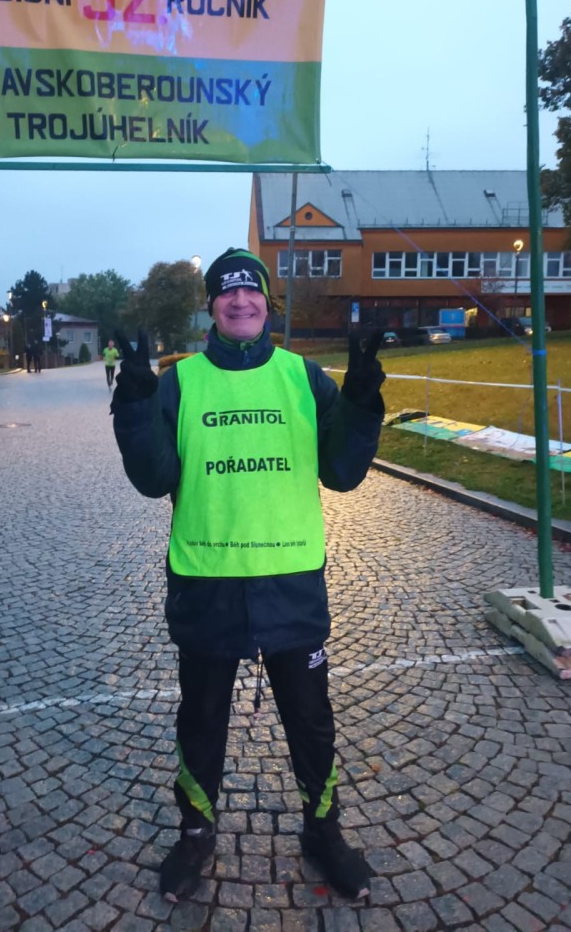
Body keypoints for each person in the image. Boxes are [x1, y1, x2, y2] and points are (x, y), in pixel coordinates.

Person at [111, 248, 385, 904]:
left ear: (267, 301)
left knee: (312, 723)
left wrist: (361, 401)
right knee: (202, 721)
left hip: (292, 587)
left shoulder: (304, 378)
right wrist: (136, 405)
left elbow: (343, 472)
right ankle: (195, 833)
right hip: (207, 586)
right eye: (226, 292)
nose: (240, 301)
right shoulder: (180, 383)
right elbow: (153, 478)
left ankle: (323, 831)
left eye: (250, 291)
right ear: (211, 305)